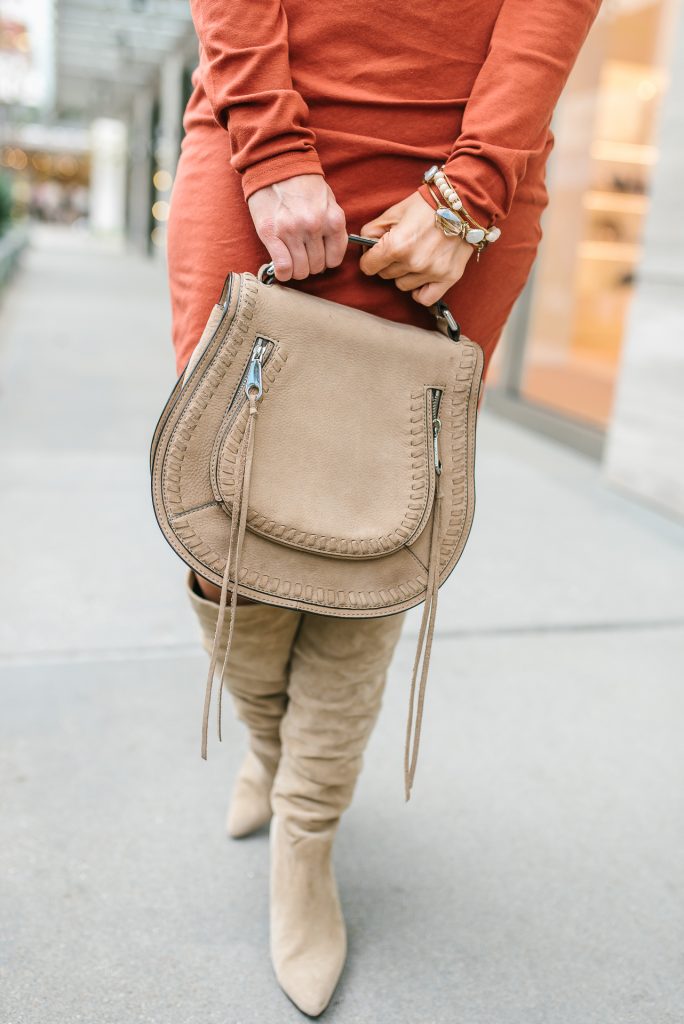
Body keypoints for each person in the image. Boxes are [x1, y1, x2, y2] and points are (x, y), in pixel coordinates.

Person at [166, 1, 602, 1015]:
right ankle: (276, 759)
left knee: (381, 522)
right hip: (260, 136)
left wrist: (473, 186)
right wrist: (272, 150)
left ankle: (305, 832)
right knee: (219, 511)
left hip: (464, 171)